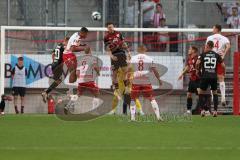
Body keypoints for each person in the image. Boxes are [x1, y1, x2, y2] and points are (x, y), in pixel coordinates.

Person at [129, 45, 163, 121]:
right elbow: (155, 70)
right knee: (151, 98)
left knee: (133, 99)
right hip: (146, 81)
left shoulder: (133, 58)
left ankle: (132, 118)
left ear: (138, 50)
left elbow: (129, 69)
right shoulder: (149, 59)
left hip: (136, 81)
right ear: (145, 49)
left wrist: (128, 78)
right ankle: (158, 117)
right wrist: (159, 79)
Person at [104, 22, 131, 114]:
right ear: (107, 28)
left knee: (125, 71)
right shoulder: (106, 37)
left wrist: (128, 53)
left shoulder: (119, 34)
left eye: (111, 27)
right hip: (114, 55)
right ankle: (116, 90)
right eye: (109, 27)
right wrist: (110, 55)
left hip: (122, 53)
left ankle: (126, 87)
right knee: (114, 74)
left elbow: (124, 43)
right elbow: (107, 47)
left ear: (113, 27)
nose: (110, 28)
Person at [196, 41, 225, 117]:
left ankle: (202, 110)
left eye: (206, 46)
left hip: (205, 76)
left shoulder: (202, 55)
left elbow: (197, 63)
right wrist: (223, 73)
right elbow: (223, 65)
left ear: (208, 46)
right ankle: (215, 111)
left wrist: (197, 70)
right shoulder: (216, 55)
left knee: (200, 93)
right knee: (215, 93)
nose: (205, 47)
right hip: (213, 76)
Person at [206, 24, 230, 106]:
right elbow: (228, 46)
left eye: (213, 28)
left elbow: (206, 48)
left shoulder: (209, 37)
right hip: (219, 58)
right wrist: (224, 54)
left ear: (217, 29)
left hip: (211, 59)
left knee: (212, 78)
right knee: (221, 78)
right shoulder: (224, 38)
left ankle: (213, 97)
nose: (212, 29)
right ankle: (223, 98)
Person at [41, 37, 69, 102]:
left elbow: (53, 54)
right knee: (59, 81)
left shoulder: (58, 45)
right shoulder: (64, 46)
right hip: (58, 66)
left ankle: (46, 92)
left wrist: (54, 61)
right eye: (68, 42)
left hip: (53, 65)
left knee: (58, 80)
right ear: (66, 41)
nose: (68, 44)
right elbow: (66, 52)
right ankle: (45, 92)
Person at [178, 46, 199, 114]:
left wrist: (198, 72)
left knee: (199, 96)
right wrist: (182, 74)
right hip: (192, 79)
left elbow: (200, 67)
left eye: (190, 49)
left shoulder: (198, 58)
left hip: (198, 79)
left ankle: (203, 109)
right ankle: (188, 110)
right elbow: (187, 67)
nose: (188, 50)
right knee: (189, 94)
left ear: (193, 51)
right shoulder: (189, 58)